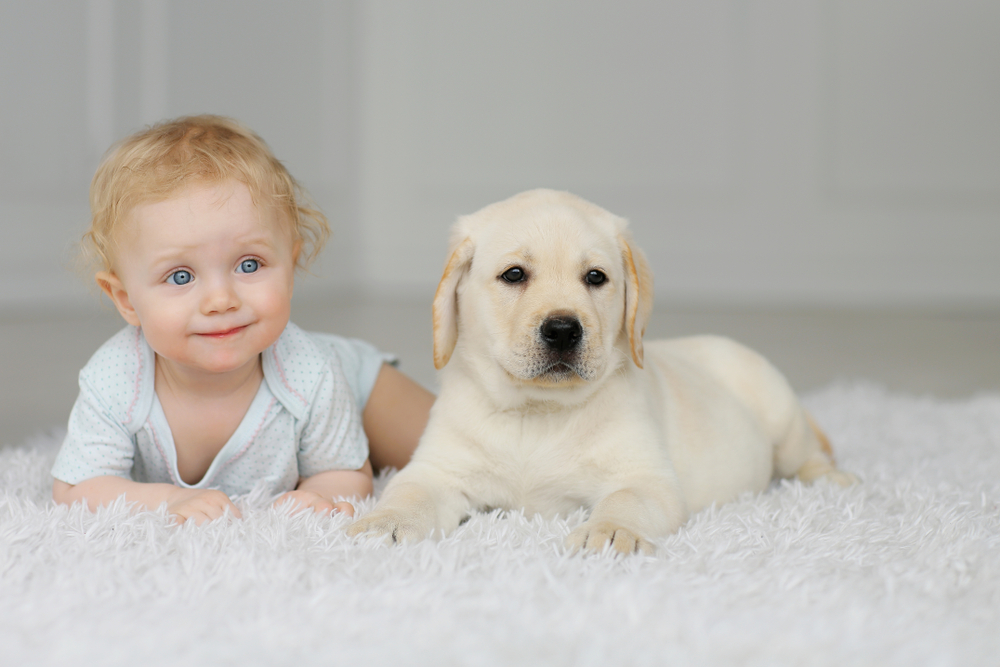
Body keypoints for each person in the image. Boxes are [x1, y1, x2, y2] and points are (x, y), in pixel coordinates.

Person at [51, 115, 434, 524]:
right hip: (321, 406)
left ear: (290, 265)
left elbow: (343, 473)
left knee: (469, 454)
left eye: (249, 265)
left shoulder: (314, 372)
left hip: (360, 387)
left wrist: (319, 492)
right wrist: (167, 499)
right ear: (126, 300)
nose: (220, 300)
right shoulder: (115, 379)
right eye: (181, 276)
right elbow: (76, 487)